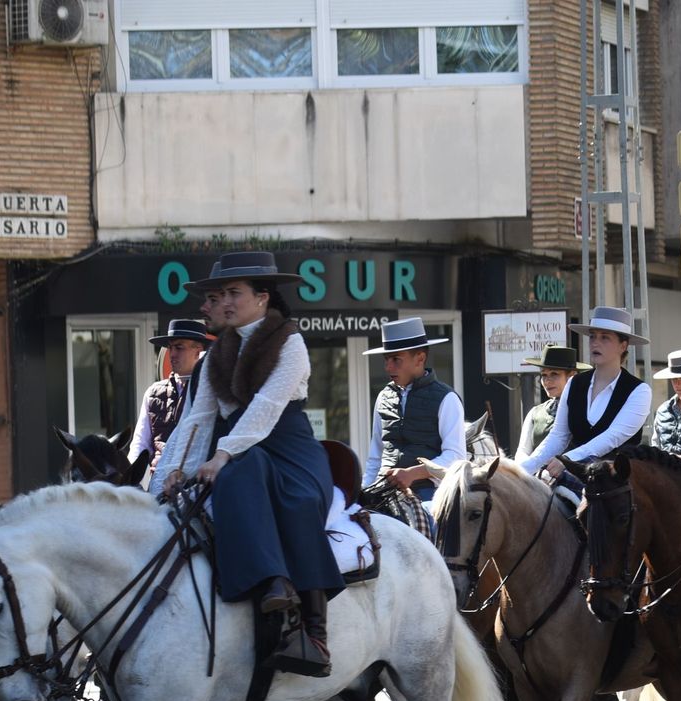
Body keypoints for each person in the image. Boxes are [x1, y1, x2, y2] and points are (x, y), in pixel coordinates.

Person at [155, 251, 344, 678]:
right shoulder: (212, 357)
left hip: (290, 451)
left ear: (262, 297)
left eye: (234, 294)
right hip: (243, 454)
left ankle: (314, 635)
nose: (224, 303)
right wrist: (169, 474)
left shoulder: (290, 341)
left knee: (292, 502)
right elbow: (198, 419)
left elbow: (268, 405)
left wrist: (223, 454)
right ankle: (269, 584)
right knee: (216, 492)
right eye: (220, 295)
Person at [520, 306, 652, 478]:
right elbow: (558, 437)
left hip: (619, 484)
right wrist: (520, 471)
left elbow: (612, 438)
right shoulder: (575, 383)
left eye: (605, 337)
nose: (595, 343)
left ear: (623, 346)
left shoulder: (639, 391)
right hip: (577, 475)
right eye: (592, 336)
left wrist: (567, 459)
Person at [360, 317, 466, 505]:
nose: (388, 367)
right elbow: (375, 458)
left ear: (420, 359)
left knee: (431, 528)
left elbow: (456, 457)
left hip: (429, 495)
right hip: (382, 492)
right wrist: (361, 494)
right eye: (386, 359)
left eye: (396, 360)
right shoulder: (383, 397)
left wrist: (412, 474)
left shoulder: (447, 399)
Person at [132, 319, 211, 464]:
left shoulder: (210, 392)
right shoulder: (153, 392)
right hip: (159, 482)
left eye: (179, 347)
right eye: (170, 347)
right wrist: (129, 479)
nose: (172, 354)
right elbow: (140, 446)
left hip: (196, 482)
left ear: (198, 352)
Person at [515, 345, 587, 460]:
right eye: (544, 375)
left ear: (572, 376)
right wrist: (533, 471)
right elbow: (522, 452)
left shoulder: (587, 409)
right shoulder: (535, 412)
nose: (547, 381)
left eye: (554, 374)